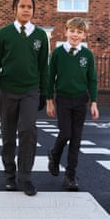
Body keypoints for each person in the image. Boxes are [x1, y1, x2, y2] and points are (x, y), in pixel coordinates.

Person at [0, 0, 48, 196]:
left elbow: (43, 67)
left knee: (28, 131)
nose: (26, 10)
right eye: (22, 6)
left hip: (30, 90)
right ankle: (9, 176)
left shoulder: (40, 36)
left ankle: (25, 177)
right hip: (7, 90)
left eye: (29, 7)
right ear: (14, 9)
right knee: (8, 134)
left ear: (33, 10)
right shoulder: (4, 33)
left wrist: (44, 93)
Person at [46, 17, 99, 191]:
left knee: (76, 139)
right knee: (66, 133)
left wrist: (94, 102)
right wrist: (49, 101)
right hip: (62, 99)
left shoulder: (87, 55)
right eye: (72, 31)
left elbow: (92, 80)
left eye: (79, 32)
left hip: (80, 100)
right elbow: (50, 77)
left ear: (84, 35)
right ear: (66, 32)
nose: (75, 35)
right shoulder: (58, 53)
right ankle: (54, 155)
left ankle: (70, 176)